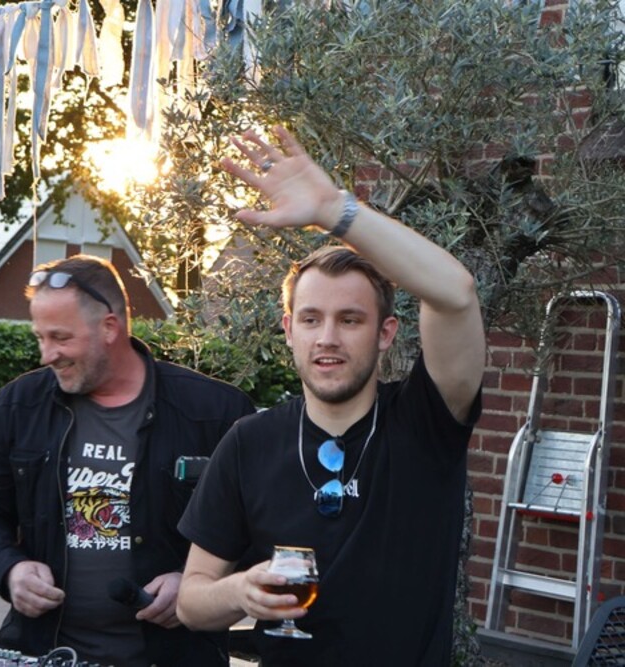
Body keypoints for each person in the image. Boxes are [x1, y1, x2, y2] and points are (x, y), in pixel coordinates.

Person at [176, 125, 486, 665]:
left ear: (385, 333)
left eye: (350, 320)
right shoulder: (249, 443)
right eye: (311, 319)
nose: (327, 338)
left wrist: (334, 210)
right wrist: (239, 591)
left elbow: (456, 294)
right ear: (288, 329)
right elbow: (190, 602)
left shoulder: (426, 423)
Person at [0, 254, 256, 666]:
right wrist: (10, 570)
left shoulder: (214, 411)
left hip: (174, 655)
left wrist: (198, 585)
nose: (47, 354)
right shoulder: (19, 405)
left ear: (110, 327)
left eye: (60, 338)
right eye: (40, 337)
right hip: (45, 653)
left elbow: (257, 531)